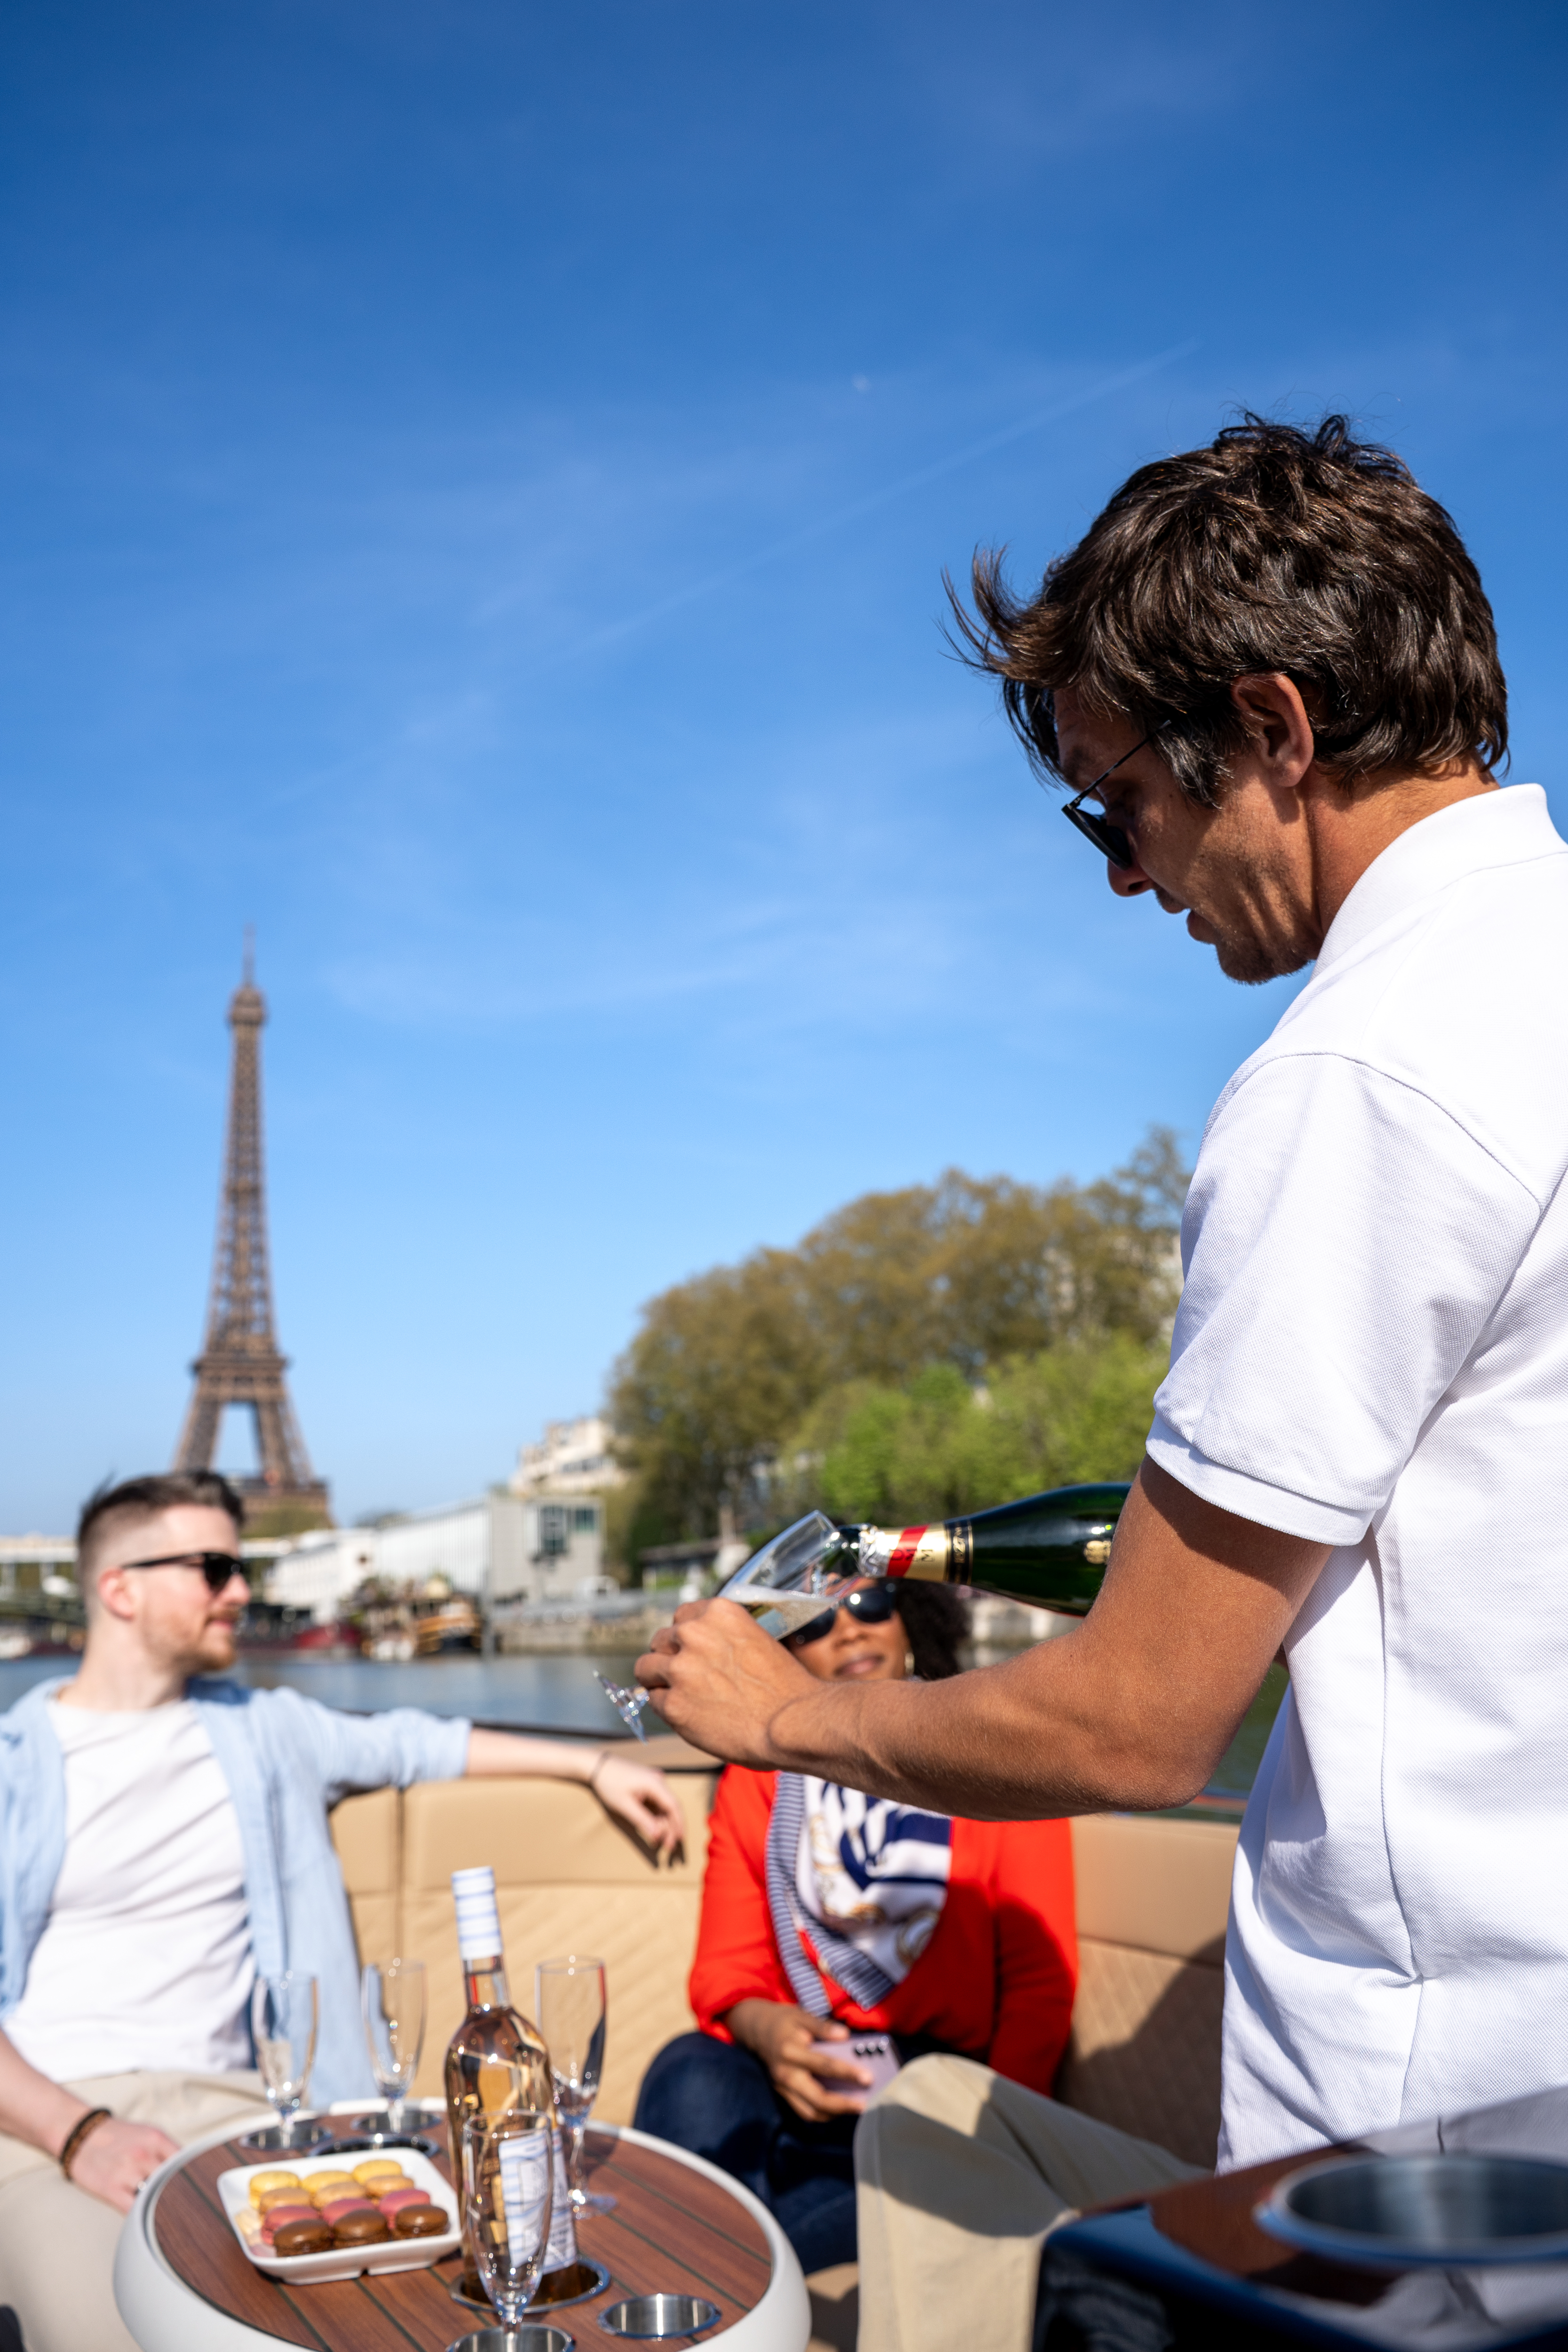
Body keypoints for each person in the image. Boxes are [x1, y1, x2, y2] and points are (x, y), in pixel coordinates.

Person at [634, 414, 1568, 2352]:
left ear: (1273, 727)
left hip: (1428, 2150)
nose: (1123, 877)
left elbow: (1141, 1723)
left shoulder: (1355, 1075)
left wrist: (783, 1713)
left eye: (1109, 800)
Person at [0, 1469, 684, 2352]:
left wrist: (592, 1766)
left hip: (243, 2115)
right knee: (106, 2330)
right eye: (213, 1569)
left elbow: (418, 1743)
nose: (242, 1591)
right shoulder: (14, 1770)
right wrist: (79, 2134)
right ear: (119, 1589)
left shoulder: (269, 1729)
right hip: (47, 2124)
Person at [633, 1580, 1075, 2273]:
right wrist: (770, 2034)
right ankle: (706, 2270)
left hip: (932, 2101)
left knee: (765, 2250)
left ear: (909, 1621)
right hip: (793, 2077)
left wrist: (988, 2146)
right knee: (688, 2071)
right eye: (813, 1624)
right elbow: (725, 1969)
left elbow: (1038, 1988)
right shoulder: (757, 1777)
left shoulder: (993, 1765)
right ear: (779, 1655)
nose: (849, 1631)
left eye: (870, 1605)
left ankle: (711, 2278)